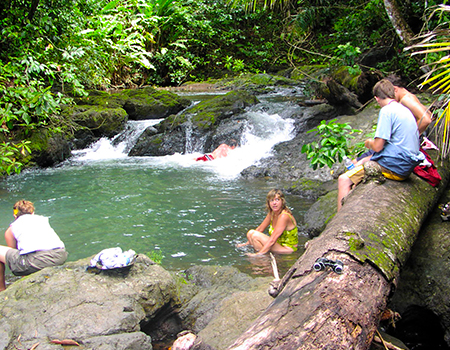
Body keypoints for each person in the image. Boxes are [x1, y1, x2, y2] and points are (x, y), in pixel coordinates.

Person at [337, 79, 424, 211]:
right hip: (407, 164)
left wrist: (369, 143)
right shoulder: (403, 109)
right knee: (364, 160)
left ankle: (340, 220)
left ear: (377, 99)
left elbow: (377, 146)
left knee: (343, 180)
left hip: (395, 166)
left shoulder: (387, 111)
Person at [0, 200, 68, 291]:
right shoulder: (42, 219)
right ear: (32, 213)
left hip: (39, 260)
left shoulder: (11, 229)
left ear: (15, 216)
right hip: (60, 256)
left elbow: (15, 256)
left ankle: (2, 290)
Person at [236, 189, 298, 255]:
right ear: (268, 203)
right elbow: (260, 229)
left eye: (277, 200)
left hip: (287, 249)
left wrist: (258, 254)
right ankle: (264, 256)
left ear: (282, 201)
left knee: (255, 236)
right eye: (271, 200)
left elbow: (273, 239)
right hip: (278, 245)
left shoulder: (284, 216)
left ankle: (263, 258)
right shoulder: (272, 213)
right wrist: (247, 244)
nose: (274, 203)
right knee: (250, 233)